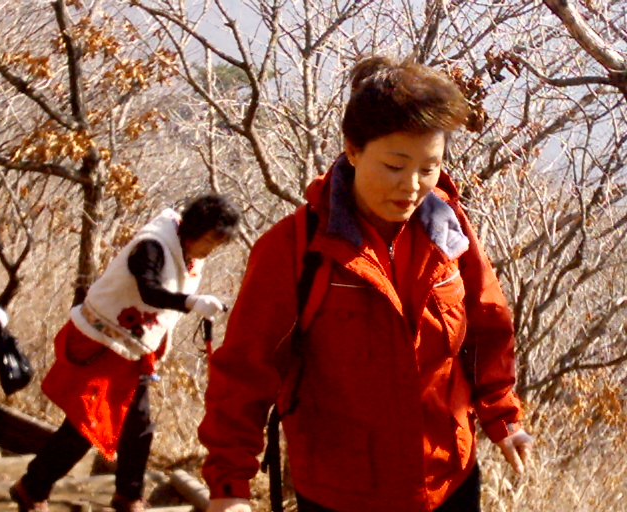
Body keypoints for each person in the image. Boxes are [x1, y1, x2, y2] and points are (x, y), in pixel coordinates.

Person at [197, 56, 533, 512]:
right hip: (343, 493)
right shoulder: (297, 249)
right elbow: (244, 372)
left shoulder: (448, 231)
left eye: (429, 167)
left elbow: (485, 328)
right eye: (395, 165)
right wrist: (229, 485)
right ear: (352, 151)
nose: (413, 187)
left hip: (448, 481)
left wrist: (503, 415)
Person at [10, 193, 240, 512]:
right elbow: (148, 289)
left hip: (131, 349)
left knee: (139, 425)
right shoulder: (153, 245)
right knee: (86, 425)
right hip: (100, 343)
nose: (212, 249)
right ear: (196, 229)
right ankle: (31, 487)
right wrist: (190, 303)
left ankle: (128, 494)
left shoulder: (186, 250)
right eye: (211, 240)